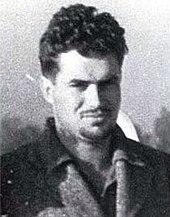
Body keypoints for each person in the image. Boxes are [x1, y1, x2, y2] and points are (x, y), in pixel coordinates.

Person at [1, 4, 170, 217]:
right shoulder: (10, 181)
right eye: (79, 85)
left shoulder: (163, 172)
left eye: (107, 83)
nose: (96, 100)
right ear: (48, 90)